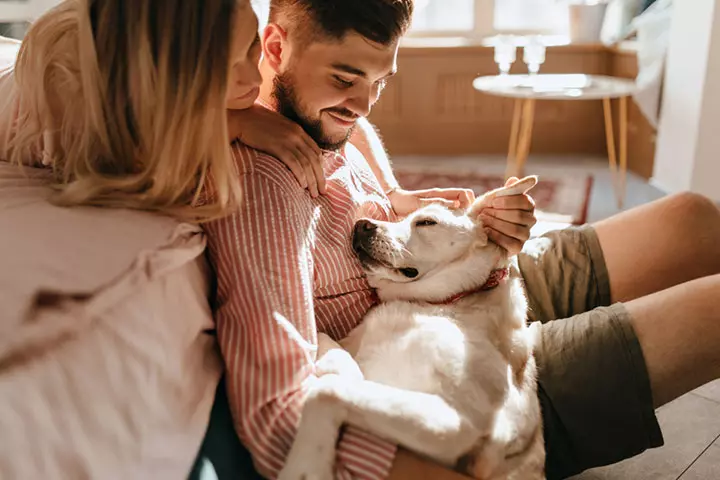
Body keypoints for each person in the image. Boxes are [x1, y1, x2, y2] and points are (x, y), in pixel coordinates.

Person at [205, 0, 720, 479]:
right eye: (347, 79)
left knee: (692, 218)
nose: (363, 105)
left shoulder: (307, 115)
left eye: (380, 81)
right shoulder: (262, 190)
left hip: (462, 285)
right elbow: (276, 416)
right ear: (274, 49)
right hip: (459, 380)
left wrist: (396, 193)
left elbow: (352, 119)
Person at [0, 0, 320, 477]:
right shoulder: (72, 95)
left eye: (251, 46)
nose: (252, 80)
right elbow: (130, 159)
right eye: (222, 67)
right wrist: (229, 123)